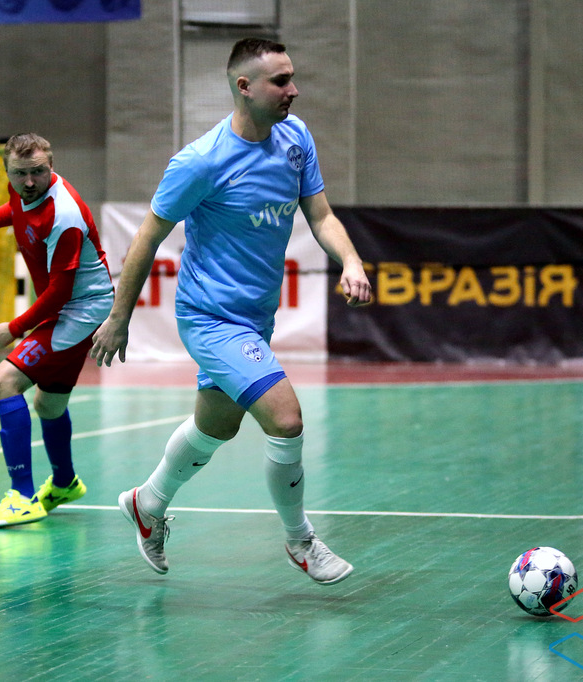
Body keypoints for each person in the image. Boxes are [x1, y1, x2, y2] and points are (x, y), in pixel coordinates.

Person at [90, 38, 373, 585]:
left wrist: (351, 261)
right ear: (244, 87)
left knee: (213, 427)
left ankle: (147, 503)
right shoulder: (201, 161)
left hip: (256, 318)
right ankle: (300, 541)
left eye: (292, 78)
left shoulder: (295, 138)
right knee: (286, 420)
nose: (293, 90)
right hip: (211, 319)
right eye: (280, 81)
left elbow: (320, 215)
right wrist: (120, 317)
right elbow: (147, 237)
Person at [0, 133, 115, 528]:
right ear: (8, 171)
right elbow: (16, 209)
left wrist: (15, 327)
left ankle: (21, 497)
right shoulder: (23, 190)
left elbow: (60, 292)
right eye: (20, 174)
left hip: (80, 311)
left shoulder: (65, 215)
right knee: (48, 405)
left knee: (4, 382)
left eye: (38, 172)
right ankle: (65, 483)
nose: (29, 182)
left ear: (51, 166)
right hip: (68, 308)